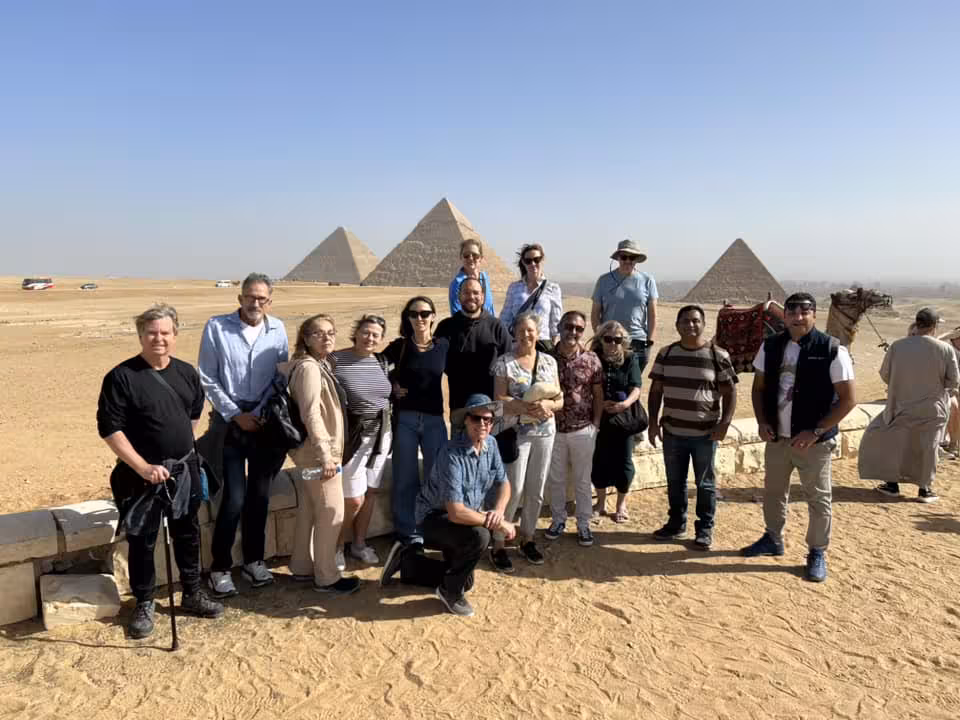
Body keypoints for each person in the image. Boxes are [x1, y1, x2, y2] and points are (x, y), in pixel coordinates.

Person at [98, 304, 223, 639]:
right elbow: (111, 429)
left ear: (175, 335)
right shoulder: (121, 377)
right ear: (141, 336)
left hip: (183, 471)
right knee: (142, 540)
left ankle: (192, 593)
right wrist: (143, 466)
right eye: (151, 332)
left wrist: (177, 452)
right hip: (140, 477)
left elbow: (194, 413)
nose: (159, 339)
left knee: (188, 532)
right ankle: (144, 602)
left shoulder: (186, 372)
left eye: (165, 332)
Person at [741, 292, 856, 583]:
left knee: (818, 498)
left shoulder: (832, 349)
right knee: (774, 492)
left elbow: (848, 400)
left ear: (814, 314)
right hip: (777, 437)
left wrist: (816, 431)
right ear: (785, 315)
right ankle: (772, 538)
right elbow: (758, 389)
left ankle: (817, 551)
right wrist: (762, 421)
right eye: (792, 310)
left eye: (805, 311)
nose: (798, 316)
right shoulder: (771, 346)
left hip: (813, 442)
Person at [379, 394, 516, 618]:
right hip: (432, 518)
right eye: (476, 418)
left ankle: (408, 563)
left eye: (488, 420)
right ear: (466, 421)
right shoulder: (451, 453)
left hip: (462, 519)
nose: (483, 424)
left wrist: (499, 512)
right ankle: (449, 592)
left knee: (467, 580)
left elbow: (504, 484)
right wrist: (497, 524)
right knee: (480, 536)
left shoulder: (491, 444)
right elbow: (455, 512)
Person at [198, 272, 289, 598]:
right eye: (250, 297)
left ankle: (253, 560)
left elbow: (280, 377)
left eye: (262, 298)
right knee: (234, 498)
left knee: (260, 497)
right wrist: (236, 414)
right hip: (229, 424)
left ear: (269, 301)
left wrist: (260, 412)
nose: (255, 303)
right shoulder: (216, 327)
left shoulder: (278, 330)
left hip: (264, 425)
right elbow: (207, 376)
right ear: (240, 298)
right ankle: (220, 567)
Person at [647, 305, 738, 549]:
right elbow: (656, 391)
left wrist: (724, 424)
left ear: (703, 324)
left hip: (705, 434)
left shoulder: (718, 356)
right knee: (674, 481)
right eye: (685, 321)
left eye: (696, 321)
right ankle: (676, 523)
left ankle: (705, 529)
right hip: (673, 432)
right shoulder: (666, 354)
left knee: (705, 484)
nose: (690, 325)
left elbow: (730, 393)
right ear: (677, 325)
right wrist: (653, 424)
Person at [281, 314, 360, 595]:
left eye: (331, 332)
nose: (326, 337)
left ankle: (302, 566)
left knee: (310, 511)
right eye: (318, 333)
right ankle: (327, 576)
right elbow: (311, 413)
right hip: (318, 454)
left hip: (312, 452)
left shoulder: (317, 365)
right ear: (306, 338)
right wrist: (326, 456)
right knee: (331, 511)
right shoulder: (309, 369)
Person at [860, 307, 959, 503]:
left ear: (918, 323)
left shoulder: (898, 346)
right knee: (928, 448)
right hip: (933, 408)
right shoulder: (945, 349)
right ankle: (925, 489)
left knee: (894, 445)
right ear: (934, 326)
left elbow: (885, 374)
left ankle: (892, 484)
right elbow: (953, 382)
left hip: (901, 406)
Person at [490, 312, 563, 572]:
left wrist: (548, 404)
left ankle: (527, 538)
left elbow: (560, 398)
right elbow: (499, 397)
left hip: (545, 432)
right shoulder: (504, 363)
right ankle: (499, 542)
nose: (526, 335)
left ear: (538, 331)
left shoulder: (550, 362)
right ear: (514, 332)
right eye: (521, 330)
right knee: (514, 489)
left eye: (530, 330)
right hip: (516, 433)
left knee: (536, 489)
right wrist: (524, 406)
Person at [383, 296, 450, 546]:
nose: (419, 318)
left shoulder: (444, 346)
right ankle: (408, 531)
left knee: (437, 475)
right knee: (405, 476)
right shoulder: (398, 347)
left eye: (424, 313)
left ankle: (434, 525)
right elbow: (374, 366)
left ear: (433, 316)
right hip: (406, 420)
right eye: (414, 314)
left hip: (435, 420)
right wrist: (390, 385)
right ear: (407, 318)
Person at [331, 314, 393, 568]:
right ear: (356, 332)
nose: (370, 338)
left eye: (375, 335)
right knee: (353, 498)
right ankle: (335, 546)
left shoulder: (380, 361)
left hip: (383, 434)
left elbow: (385, 393)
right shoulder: (335, 359)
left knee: (370, 492)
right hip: (355, 437)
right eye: (366, 332)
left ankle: (358, 544)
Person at [544, 310, 603, 547]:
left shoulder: (591, 359)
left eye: (579, 328)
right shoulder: (546, 358)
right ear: (559, 327)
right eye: (569, 326)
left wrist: (596, 424)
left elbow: (598, 394)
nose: (573, 332)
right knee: (556, 479)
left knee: (582, 479)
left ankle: (584, 524)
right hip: (554, 429)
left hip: (582, 429)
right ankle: (558, 520)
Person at [589, 320, 645, 523]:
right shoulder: (593, 358)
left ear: (623, 341)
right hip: (599, 417)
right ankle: (601, 503)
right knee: (599, 460)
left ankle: (621, 504)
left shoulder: (630, 359)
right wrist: (599, 403)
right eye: (608, 339)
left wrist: (624, 405)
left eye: (617, 339)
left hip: (624, 418)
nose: (613, 343)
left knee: (624, 461)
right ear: (600, 340)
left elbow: (636, 387)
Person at [434, 277, 512, 414]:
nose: (471, 296)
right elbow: (434, 361)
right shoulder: (446, 327)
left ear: (483, 296)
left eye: (476, 293)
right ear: (459, 296)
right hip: (459, 405)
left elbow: (509, 363)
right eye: (466, 292)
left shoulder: (497, 327)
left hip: (491, 407)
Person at [591, 239, 658, 374]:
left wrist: (649, 342)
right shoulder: (604, 280)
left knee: (633, 385)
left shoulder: (648, 280)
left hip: (637, 341)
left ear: (637, 259)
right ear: (618, 258)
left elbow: (652, 315)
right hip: (610, 340)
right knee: (609, 384)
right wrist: (601, 338)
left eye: (632, 257)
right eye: (624, 257)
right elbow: (595, 313)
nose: (628, 261)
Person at [499, 243, 563, 347]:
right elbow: (505, 319)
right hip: (518, 343)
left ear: (542, 260)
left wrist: (554, 347)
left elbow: (555, 324)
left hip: (542, 344)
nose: (533, 264)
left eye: (536, 259)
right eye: (528, 261)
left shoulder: (553, 289)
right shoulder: (514, 288)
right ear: (523, 263)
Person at [449, 238, 496, 316]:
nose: (470, 258)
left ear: (481, 258)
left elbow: (490, 308)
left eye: (475, 255)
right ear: (461, 257)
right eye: (466, 256)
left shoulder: (484, 277)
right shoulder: (456, 284)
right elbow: (456, 315)